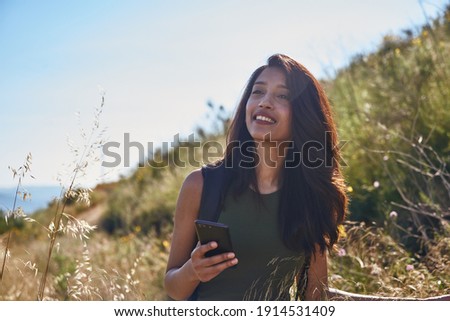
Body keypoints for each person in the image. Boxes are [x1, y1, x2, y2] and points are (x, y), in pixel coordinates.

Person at [164, 53, 450, 301]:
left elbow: (316, 295)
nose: (264, 102)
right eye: (258, 91)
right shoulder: (201, 185)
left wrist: (425, 305)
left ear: (303, 115)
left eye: (282, 96)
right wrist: (192, 271)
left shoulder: (312, 198)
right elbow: (173, 286)